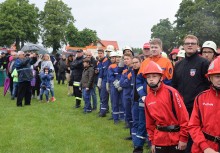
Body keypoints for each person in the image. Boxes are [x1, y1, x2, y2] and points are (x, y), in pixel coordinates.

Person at [172, 35, 210, 153]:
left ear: (197, 46)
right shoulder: (178, 65)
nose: (190, 45)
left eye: (193, 43)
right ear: (183, 46)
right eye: (187, 43)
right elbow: (174, 87)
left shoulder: (204, 63)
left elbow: (209, 86)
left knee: (195, 140)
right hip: (181, 109)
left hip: (197, 109)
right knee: (182, 140)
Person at [144, 61, 189, 153]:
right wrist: (152, 141)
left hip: (175, 139)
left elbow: (183, 117)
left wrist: (183, 138)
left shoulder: (171, 92)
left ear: (161, 77)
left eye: (154, 76)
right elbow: (149, 123)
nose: (151, 79)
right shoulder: (148, 98)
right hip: (159, 140)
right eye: (148, 77)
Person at [188, 56, 220, 153]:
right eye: (217, 76)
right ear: (210, 78)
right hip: (204, 147)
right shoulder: (201, 98)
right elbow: (193, 126)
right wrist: (205, 147)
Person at [97, 45, 113, 117]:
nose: (108, 53)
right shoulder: (105, 60)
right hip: (104, 80)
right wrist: (100, 80)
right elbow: (102, 71)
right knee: (103, 96)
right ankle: (103, 111)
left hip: (111, 80)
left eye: (110, 52)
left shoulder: (114, 60)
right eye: (108, 52)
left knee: (113, 98)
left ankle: (112, 113)